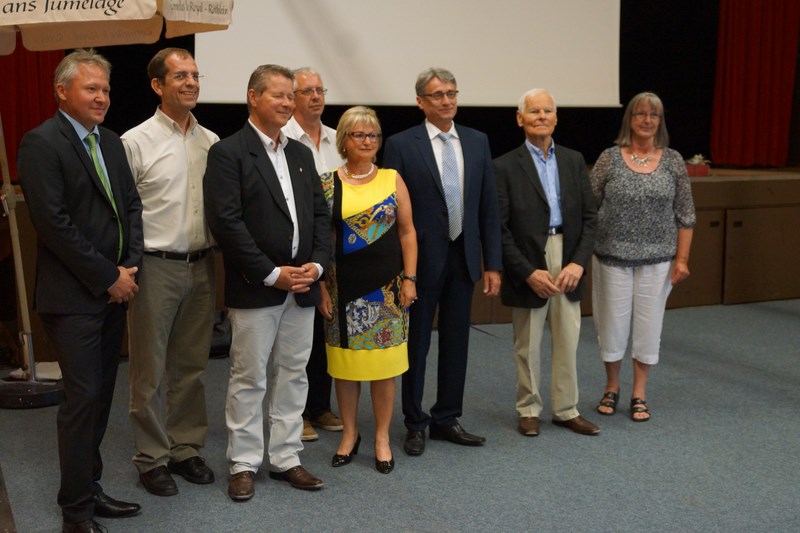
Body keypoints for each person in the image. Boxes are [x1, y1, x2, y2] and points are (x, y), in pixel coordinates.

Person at [17, 49, 143, 532]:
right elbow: (53, 224)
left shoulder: (110, 141)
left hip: (115, 289)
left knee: (101, 396)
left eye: (105, 89)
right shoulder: (40, 143)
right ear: (62, 91)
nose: (102, 97)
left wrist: (128, 267)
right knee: (82, 399)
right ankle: (75, 511)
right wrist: (107, 276)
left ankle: (90, 488)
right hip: (73, 297)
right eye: (91, 88)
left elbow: (131, 207)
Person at [204, 64, 331, 501]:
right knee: (249, 377)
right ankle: (243, 463)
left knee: (294, 374)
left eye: (290, 96)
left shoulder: (301, 154)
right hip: (257, 286)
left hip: (303, 285)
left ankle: (286, 457)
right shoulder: (228, 153)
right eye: (278, 95)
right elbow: (227, 223)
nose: (287, 103)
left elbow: (320, 217)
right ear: (253, 97)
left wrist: (317, 267)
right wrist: (272, 274)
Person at [383, 67, 502, 456]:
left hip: (464, 258)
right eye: (438, 95)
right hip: (419, 262)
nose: (447, 100)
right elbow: (393, 212)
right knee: (416, 345)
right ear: (421, 102)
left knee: (457, 342)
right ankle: (415, 422)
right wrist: (401, 270)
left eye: (452, 93)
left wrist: (492, 263)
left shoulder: (477, 141)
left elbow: (488, 206)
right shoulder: (402, 144)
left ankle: (447, 418)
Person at [121, 47, 219, 496]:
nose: (191, 83)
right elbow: (122, 213)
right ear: (157, 85)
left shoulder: (210, 141)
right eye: (180, 76)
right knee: (149, 371)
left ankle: (185, 448)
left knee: (192, 366)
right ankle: (151, 458)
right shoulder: (135, 141)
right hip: (154, 267)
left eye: (195, 75)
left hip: (203, 264)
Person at [494, 89, 599, 438]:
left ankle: (566, 409)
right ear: (520, 118)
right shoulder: (504, 166)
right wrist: (526, 272)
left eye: (547, 111)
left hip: (568, 256)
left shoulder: (573, 160)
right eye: (534, 111)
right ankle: (529, 409)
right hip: (529, 261)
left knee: (568, 339)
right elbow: (499, 228)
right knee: (527, 344)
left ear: (556, 118)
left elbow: (590, 217)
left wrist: (578, 264)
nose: (541, 116)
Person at [318, 106, 417, 474]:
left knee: (383, 368)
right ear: (344, 140)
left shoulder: (392, 179)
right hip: (340, 291)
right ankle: (349, 434)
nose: (367, 141)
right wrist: (320, 288)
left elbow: (407, 232)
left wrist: (410, 279)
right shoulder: (327, 182)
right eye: (359, 134)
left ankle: (381, 438)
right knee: (345, 369)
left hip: (387, 291)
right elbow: (320, 240)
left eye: (373, 135)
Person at [590, 91, 696, 422]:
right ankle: (612, 386)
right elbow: (589, 207)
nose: (647, 120)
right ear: (630, 120)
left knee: (648, 328)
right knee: (612, 325)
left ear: (660, 122)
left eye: (654, 115)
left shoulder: (673, 161)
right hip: (611, 258)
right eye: (640, 114)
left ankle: (639, 392)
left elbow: (686, 215)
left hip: (658, 261)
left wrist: (682, 260)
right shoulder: (609, 158)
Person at [282, 67, 345, 442]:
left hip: (338, 248)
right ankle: (299, 412)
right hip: (300, 247)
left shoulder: (339, 139)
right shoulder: (284, 138)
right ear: (292, 98)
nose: (316, 97)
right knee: (298, 333)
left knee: (328, 327)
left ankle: (320, 405)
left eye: (320, 90)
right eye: (307, 91)